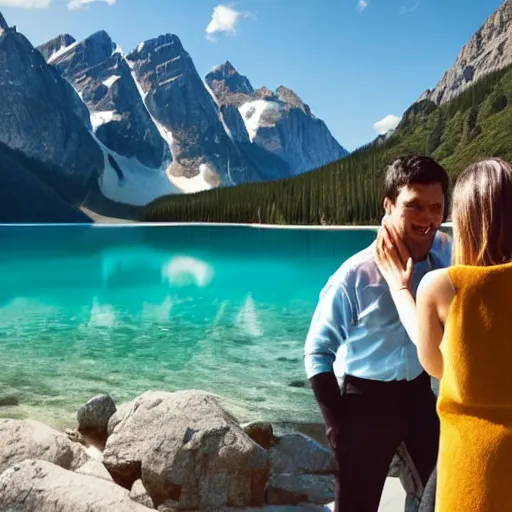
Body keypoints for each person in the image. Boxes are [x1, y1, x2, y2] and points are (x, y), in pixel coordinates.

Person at [304, 155, 452, 512]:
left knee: (442, 494)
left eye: (436, 207)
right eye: (413, 206)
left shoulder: (445, 254)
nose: (427, 218)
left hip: (419, 398)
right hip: (363, 403)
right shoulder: (353, 275)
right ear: (388, 206)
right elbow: (317, 352)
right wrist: (337, 426)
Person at [375, 157, 512, 512]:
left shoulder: (443, 285)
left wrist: (398, 288)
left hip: (471, 464)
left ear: (465, 219)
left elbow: (436, 364)